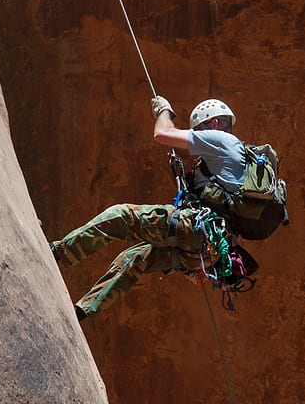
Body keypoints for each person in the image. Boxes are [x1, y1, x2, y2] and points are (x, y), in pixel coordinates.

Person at [49, 96, 249, 321]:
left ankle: (57, 252)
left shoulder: (221, 139)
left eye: (201, 129)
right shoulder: (236, 158)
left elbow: (162, 134)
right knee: (136, 257)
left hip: (197, 230)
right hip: (208, 250)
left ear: (214, 124)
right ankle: (81, 312)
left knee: (121, 216)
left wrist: (164, 112)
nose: (200, 134)